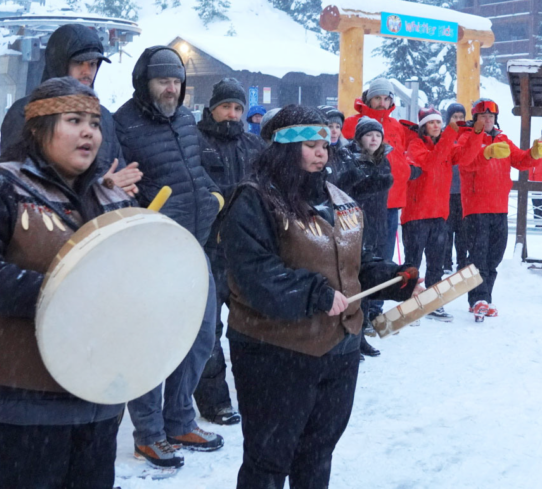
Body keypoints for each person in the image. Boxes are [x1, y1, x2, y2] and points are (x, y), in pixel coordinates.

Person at [0, 77, 134, 488]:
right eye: (74, 120)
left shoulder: (112, 199)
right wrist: (60, 293)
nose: (89, 132)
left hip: (95, 401)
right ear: (38, 129)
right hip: (17, 403)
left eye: (94, 123)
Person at [221, 105, 421, 488]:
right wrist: (311, 292)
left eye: (325, 145)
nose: (321, 153)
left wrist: (392, 276)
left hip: (338, 350)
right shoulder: (254, 199)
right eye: (310, 145)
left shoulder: (339, 198)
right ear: (283, 148)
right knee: (269, 459)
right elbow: (253, 273)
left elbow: (353, 260)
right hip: (276, 351)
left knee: (317, 454)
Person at [114, 45, 224, 467]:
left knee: (200, 338)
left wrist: (213, 196)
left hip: (194, 247)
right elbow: (119, 189)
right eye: (163, 81)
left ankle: (179, 419)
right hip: (153, 254)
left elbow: (196, 169)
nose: (171, 89)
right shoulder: (123, 123)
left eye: (177, 82)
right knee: (150, 346)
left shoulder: (184, 118)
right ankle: (149, 433)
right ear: (145, 83)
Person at [194, 78, 267, 427]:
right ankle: (214, 399)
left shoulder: (254, 145)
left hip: (245, 252)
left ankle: (254, 390)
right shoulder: (194, 141)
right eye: (226, 107)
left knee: (250, 326)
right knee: (207, 330)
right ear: (212, 109)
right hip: (206, 249)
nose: (232, 114)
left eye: (238, 108)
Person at [0, 23, 141, 197]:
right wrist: (100, 189)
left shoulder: (102, 115)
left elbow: (118, 175)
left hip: (99, 221)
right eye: (79, 63)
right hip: (45, 221)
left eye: (93, 64)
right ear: (59, 63)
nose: (87, 72)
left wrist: (119, 191)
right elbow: (15, 185)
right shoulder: (25, 112)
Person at [455, 98, 542, 320]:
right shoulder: (466, 137)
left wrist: (533, 154)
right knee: (478, 255)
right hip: (476, 207)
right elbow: (466, 163)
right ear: (475, 119)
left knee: (494, 256)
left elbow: (520, 160)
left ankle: (485, 298)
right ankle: (478, 299)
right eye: (483, 116)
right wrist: (486, 153)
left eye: (491, 116)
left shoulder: (502, 138)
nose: (487, 120)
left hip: (499, 207)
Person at [331, 116, 395, 357]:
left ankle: (361, 332)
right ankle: (349, 337)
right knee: (352, 282)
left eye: (378, 135)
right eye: (369, 135)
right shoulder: (348, 158)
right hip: (353, 225)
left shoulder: (383, 160)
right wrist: (372, 183)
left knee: (369, 282)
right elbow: (347, 189)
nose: (374, 139)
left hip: (377, 224)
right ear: (359, 138)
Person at [341, 78, 418, 262]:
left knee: (385, 255)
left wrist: (408, 170)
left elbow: (400, 155)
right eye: (377, 98)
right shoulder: (352, 123)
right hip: (363, 200)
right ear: (368, 99)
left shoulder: (397, 126)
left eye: (386, 98)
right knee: (360, 255)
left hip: (392, 200)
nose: (382, 103)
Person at [404, 107, 461, 321]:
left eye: (438, 122)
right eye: (431, 122)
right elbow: (430, 162)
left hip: (439, 213)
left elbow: (464, 156)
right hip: (416, 214)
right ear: (423, 127)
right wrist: (450, 136)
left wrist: (476, 135)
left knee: (436, 262)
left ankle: (433, 301)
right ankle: (409, 300)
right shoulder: (415, 145)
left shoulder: (447, 144)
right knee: (413, 262)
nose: (436, 126)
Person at [443, 102, 468, 274]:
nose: (458, 120)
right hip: (446, 192)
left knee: (463, 231)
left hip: (464, 192)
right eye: (455, 117)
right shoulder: (444, 136)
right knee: (445, 231)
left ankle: (461, 261)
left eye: (461, 117)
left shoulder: (468, 136)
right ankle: (445, 262)